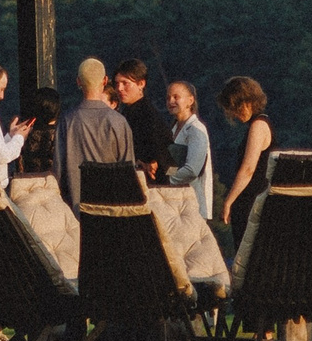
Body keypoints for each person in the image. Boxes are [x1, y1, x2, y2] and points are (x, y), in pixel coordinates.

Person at [56, 56, 135, 208]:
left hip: (76, 211)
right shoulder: (118, 121)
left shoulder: (67, 121)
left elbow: (59, 172)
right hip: (112, 209)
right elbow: (128, 173)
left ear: (78, 81)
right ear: (105, 81)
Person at [217, 76, 274, 240]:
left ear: (247, 102)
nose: (233, 114)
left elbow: (248, 169)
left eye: (235, 107)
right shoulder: (259, 124)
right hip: (253, 200)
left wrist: (228, 201)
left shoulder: (259, 126)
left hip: (253, 202)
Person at [112, 59, 172, 179]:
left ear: (141, 84)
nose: (119, 88)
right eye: (117, 83)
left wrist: (153, 165)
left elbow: (171, 163)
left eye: (125, 83)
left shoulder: (149, 116)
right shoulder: (126, 113)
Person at [163, 80, 214, 215]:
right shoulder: (174, 129)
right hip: (176, 202)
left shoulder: (196, 130)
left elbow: (192, 170)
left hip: (193, 204)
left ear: (190, 100)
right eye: (168, 98)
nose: (171, 101)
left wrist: (166, 181)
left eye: (176, 97)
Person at [18, 86, 62, 178]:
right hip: (53, 187)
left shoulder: (24, 134)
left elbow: (20, 167)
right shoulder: (60, 134)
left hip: (29, 186)